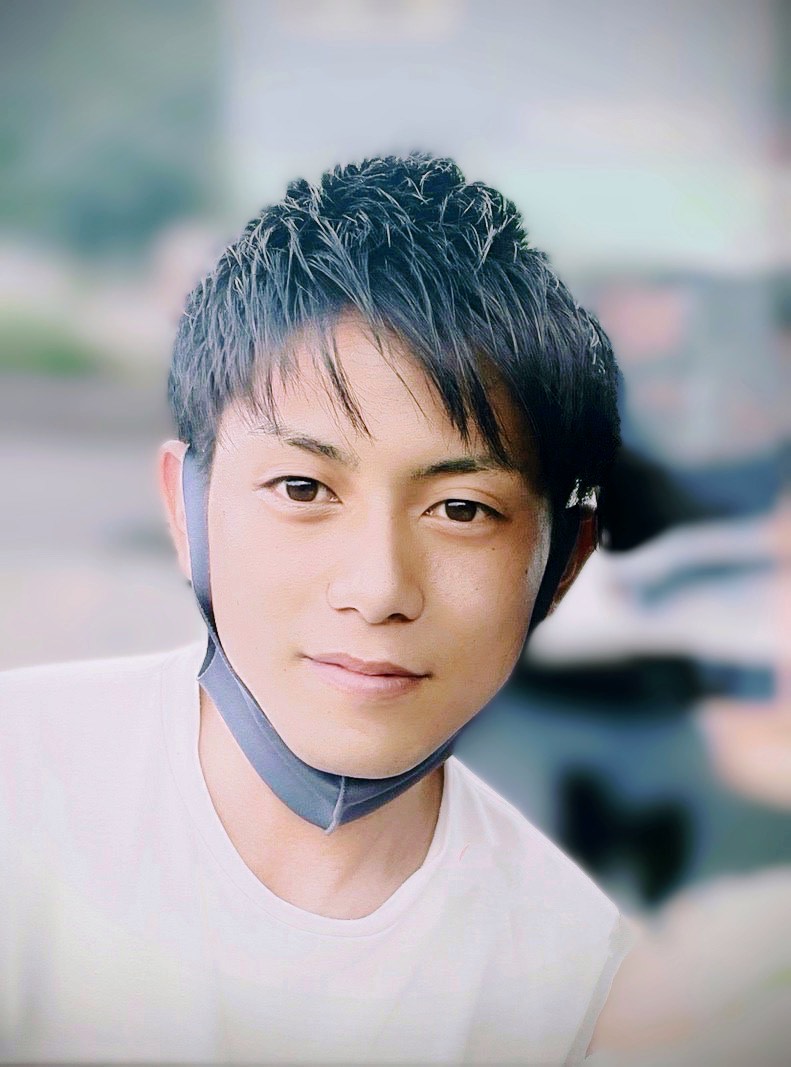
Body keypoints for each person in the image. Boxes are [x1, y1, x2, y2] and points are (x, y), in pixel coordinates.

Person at [0, 153, 635, 1064]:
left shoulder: (577, 987)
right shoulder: (17, 784)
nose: (377, 589)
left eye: (461, 509)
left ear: (562, 563)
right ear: (186, 509)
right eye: (302, 487)